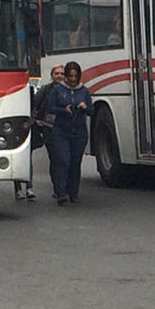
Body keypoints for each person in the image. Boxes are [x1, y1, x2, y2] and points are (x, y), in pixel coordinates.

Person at [46, 61, 94, 205]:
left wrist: (85, 107)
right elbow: (51, 107)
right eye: (70, 76)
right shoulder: (58, 90)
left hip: (79, 132)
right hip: (60, 131)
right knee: (63, 160)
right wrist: (63, 110)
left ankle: (73, 192)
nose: (73, 80)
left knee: (75, 162)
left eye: (75, 76)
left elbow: (92, 111)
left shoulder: (84, 91)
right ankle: (60, 193)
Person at [15, 64, 65, 201]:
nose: (59, 76)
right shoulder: (45, 90)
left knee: (56, 159)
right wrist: (35, 121)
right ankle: (24, 188)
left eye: (62, 73)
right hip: (40, 127)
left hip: (57, 128)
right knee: (26, 157)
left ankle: (58, 189)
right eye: (57, 73)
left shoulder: (68, 91)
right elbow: (35, 105)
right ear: (52, 76)